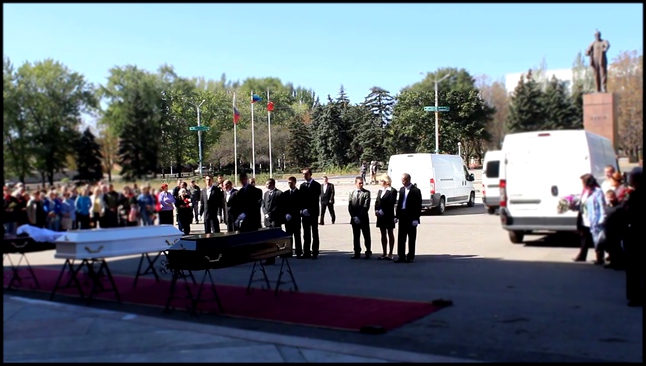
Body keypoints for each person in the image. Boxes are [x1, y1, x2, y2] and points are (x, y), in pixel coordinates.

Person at [573, 173, 606, 264]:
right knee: (584, 237)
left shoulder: (597, 191)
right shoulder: (585, 191)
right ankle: (582, 256)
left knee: (597, 239)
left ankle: (600, 258)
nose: (582, 184)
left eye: (583, 182)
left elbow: (602, 205)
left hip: (595, 218)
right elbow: (582, 204)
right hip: (584, 218)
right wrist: (572, 206)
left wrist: (602, 218)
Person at [622, 167, 643, 307]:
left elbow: (631, 214)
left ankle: (636, 296)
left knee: (634, 268)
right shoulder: (634, 194)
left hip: (637, 235)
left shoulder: (637, 195)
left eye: (631, 178)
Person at [394, 173, 422, 264]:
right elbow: (400, 204)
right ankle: (401, 256)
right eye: (402, 180)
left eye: (404, 180)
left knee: (411, 238)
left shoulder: (416, 190)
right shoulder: (402, 190)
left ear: (408, 180)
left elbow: (418, 206)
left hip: (411, 217)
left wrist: (416, 218)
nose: (402, 182)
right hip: (402, 216)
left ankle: (410, 256)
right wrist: (396, 216)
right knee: (401, 237)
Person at [299, 168, 322, 259]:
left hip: (313, 212)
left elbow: (314, 199)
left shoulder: (316, 185)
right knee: (306, 233)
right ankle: (306, 252)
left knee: (314, 232)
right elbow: (301, 199)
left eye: (306, 174)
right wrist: (302, 209)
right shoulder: (302, 186)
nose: (304, 176)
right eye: (303, 174)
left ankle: (315, 252)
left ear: (310, 174)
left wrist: (309, 210)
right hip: (304, 213)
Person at [375, 174, 397, 260]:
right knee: (383, 233)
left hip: (388, 215)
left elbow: (391, 203)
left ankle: (390, 253)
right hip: (380, 216)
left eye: (381, 181)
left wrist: (382, 211)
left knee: (390, 233)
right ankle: (384, 252)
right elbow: (377, 201)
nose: (380, 183)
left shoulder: (392, 191)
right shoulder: (380, 190)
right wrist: (376, 210)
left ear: (386, 182)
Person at [348, 176, 372, 259]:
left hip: (363, 218)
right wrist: (354, 217)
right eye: (359, 183)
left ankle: (368, 251)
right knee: (356, 236)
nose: (361, 184)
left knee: (366, 236)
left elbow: (366, 206)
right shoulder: (352, 193)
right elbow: (350, 206)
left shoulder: (366, 193)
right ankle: (357, 252)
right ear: (356, 184)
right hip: (354, 218)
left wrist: (359, 217)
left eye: (362, 183)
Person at [262, 178, 283, 265]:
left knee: (274, 239)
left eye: (268, 184)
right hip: (267, 219)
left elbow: (279, 206)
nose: (267, 186)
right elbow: (263, 205)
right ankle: (269, 257)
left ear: (273, 184)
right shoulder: (266, 193)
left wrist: (271, 214)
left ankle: (274, 256)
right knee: (268, 239)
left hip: (275, 219)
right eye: (266, 184)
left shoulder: (279, 193)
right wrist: (266, 213)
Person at [282, 176, 303, 258]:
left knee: (297, 235)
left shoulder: (299, 193)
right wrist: (286, 214)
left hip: (296, 218)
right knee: (288, 235)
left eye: (291, 182)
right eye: (288, 183)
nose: (290, 184)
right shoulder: (285, 193)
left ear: (295, 183)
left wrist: (295, 214)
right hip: (288, 218)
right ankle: (288, 251)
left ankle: (298, 252)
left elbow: (300, 205)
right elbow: (283, 205)